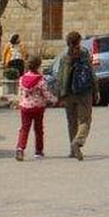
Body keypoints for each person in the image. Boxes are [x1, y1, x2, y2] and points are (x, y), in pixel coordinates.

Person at [56, 31, 98, 160]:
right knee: (85, 120)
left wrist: (60, 95)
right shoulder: (84, 54)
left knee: (71, 121)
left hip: (68, 93)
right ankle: (78, 141)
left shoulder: (64, 57)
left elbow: (60, 77)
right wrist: (95, 90)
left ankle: (72, 149)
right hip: (84, 92)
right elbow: (91, 73)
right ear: (79, 41)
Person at [15, 55, 56, 161]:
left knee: (24, 128)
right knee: (38, 129)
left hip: (25, 107)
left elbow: (20, 93)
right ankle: (38, 151)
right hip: (38, 107)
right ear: (38, 66)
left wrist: (19, 102)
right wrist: (54, 100)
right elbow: (46, 93)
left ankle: (20, 148)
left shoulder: (22, 79)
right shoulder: (40, 80)